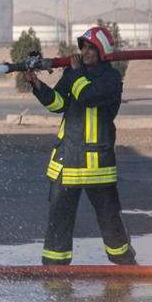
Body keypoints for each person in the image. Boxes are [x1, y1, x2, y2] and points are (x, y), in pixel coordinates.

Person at [26, 26, 137, 266]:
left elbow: (88, 96)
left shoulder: (110, 78)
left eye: (90, 48)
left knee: (110, 219)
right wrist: (37, 85)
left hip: (97, 165)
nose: (84, 53)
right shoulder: (71, 75)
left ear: (103, 51)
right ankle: (55, 271)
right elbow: (58, 104)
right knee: (59, 221)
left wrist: (75, 73)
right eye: (83, 48)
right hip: (68, 160)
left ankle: (125, 264)